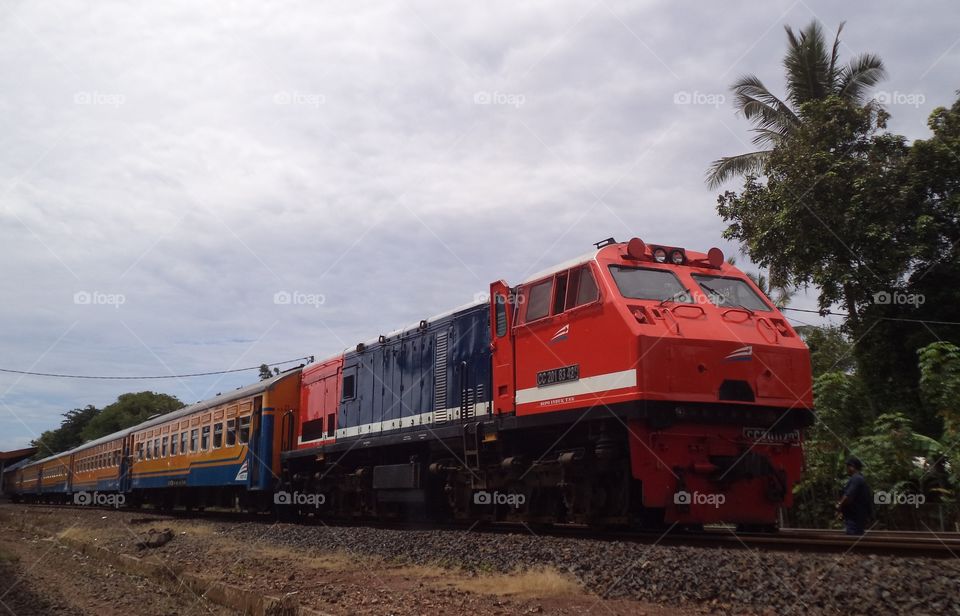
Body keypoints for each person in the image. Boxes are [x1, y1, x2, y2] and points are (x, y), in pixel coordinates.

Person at [836, 456, 871, 535]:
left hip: (854, 518)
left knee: (853, 538)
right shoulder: (860, 478)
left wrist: (839, 506)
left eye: (847, 467)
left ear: (852, 467)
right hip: (857, 517)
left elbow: (848, 496)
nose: (846, 469)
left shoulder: (856, 479)